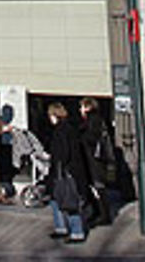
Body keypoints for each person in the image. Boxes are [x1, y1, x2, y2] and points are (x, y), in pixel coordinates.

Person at [47, 101, 91, 243]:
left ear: (54, 115)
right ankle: (62, 228)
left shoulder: (60, 131)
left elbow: (62, 154)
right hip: (70, 171)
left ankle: (76, 231)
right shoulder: (70, 128)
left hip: (66, 173)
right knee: (58, 200)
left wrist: (54, 162)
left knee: (69, 201)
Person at [79, 96, 116, 226]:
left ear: (88, 107)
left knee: (99, 187)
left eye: (82, 106)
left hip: (95, 160)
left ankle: (103, 214)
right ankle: (100, 212)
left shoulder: (92, 120)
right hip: (96, 159)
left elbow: (91, 139)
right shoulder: (96, 120)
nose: (80, 109)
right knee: (97, 187)